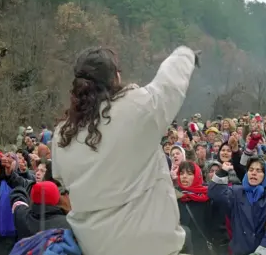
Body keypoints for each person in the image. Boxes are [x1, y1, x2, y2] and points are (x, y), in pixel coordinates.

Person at [52, 46, 200, 255]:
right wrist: (185, 55)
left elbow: (60, 176)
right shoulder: (139, 109)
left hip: (94, 246)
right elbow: (170, 84)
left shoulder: (61, 134)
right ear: (115, 77)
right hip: (152, 246)